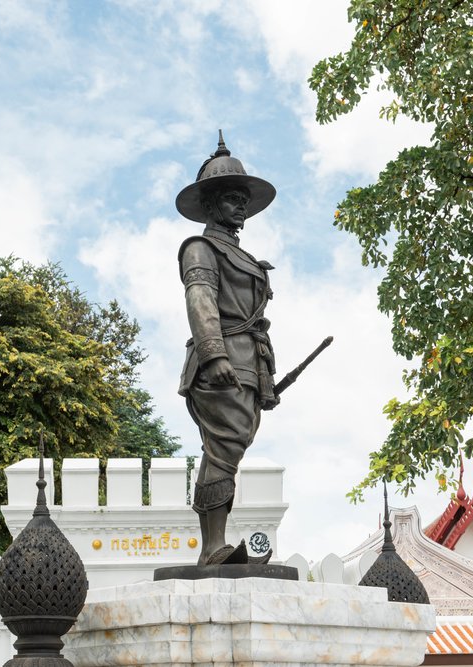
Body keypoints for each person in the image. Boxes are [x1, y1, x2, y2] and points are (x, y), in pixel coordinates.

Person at [176, 131, 279, 566]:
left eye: (243, 198)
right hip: (221, 363)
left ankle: (214, 545)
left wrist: (264, 376)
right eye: (231, 198)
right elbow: (200, 301)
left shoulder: (243, 255)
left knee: (228, 449)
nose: (240, 205)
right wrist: (215, 354)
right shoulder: (200, 248)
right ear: (211, 204)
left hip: (248, 363)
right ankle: (213, 547)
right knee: (225, 446)